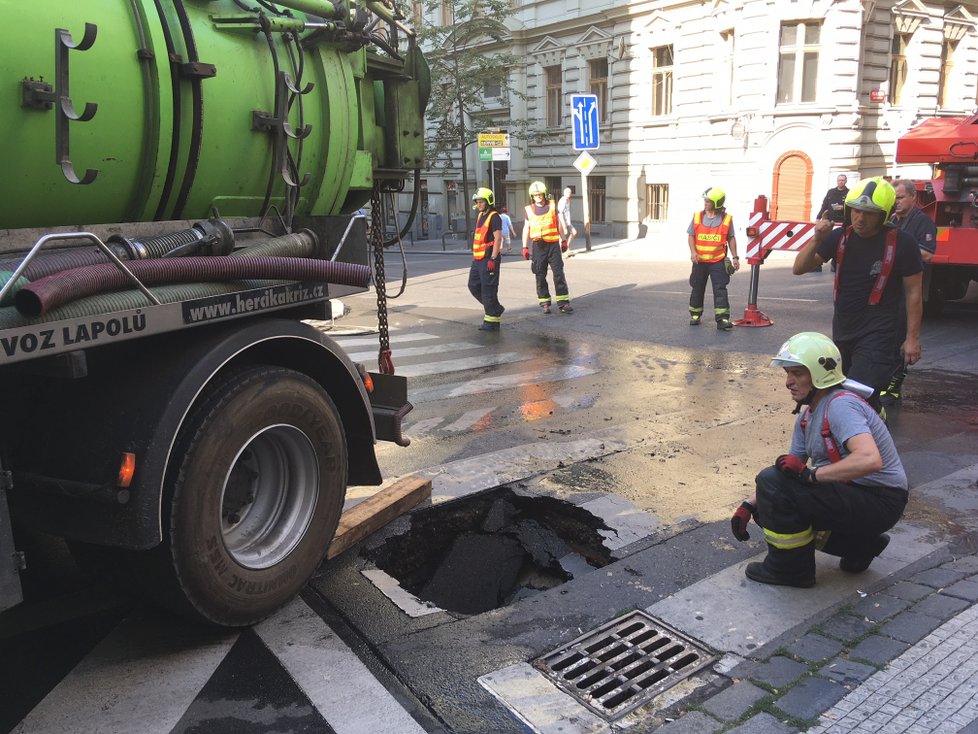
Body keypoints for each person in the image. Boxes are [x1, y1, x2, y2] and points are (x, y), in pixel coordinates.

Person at [730, 332, 909, 588]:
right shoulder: (807, 417)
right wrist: (749, 505)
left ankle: (790, 571)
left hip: (880, 500)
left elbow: (870, 459)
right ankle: (861, 547)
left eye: (797, 374)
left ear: (819, 375)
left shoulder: (840, 405)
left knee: (772, 486)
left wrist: (811, 476)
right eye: (787, 374)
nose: (788, 382)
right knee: (769, 494)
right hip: (857, 497)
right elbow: (786, 474)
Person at [792, 176, 923, 415]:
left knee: (855, 394)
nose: (860, 219)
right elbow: (798, 268)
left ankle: (866, 442)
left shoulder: (903, 244)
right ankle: (872, 425)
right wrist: (817, 239)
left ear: (884, 214)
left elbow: (914, 292)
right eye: (856, 211)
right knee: (838, 392)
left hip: (880, 332)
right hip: (843, 328)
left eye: (869, 213)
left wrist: (912, 339)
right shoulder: (840, 237)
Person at [881, 179, 937, 405]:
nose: (896, 202)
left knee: (901, 336)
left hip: (909, 289)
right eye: (893, 198)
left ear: (913, 197)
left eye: (901, 197)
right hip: (889, 289)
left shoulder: (923, 222)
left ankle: (895, 384)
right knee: (885, 335)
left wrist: (898, 252)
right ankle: (883, 378)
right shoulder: (892, 220)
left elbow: (927, 254)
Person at [688, 186, 740, 330]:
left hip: (717, 261)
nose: (705, 203)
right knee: (697, 288)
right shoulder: (697, 216)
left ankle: (722, 319)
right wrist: (693, 252)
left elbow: (731, 238)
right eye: (705, 200)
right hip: (700, 262)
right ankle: (695, 314)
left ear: (717, 203)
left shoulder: (727, 219)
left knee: (720, 290)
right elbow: (691, 236)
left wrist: (735, 257)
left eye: (708, 201)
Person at [522, 181, 573, 314]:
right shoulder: (529, 209)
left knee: (558, 272)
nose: (538, 196)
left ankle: (563, 303)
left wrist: (563, 240)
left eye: (540, 194)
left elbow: (558, 224)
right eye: (535, 195)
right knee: (540, 274)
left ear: (544, 194)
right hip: (538, 246)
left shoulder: (552, 205)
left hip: (553, 246)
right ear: (532, 196)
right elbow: (526, 228)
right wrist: (524, 246)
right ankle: (544, 302)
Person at [468, 187, 504, 332]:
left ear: (488, 201)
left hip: (489, 258)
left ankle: (491, 321)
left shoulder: (494, 217)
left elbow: (498, 238)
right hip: (478, 259)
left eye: (481, 201)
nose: (479, 204)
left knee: (488, 289)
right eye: (477, 202)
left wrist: (493, 258)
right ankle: (496, 308)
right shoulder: (480, 216)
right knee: (473, 285)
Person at [818, 174, 850, 272]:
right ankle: (817, 264)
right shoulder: (831, 192)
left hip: (843, 223)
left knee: (839, 245)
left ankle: (835, 264)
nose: (841, 182)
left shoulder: (849, 193)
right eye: (839, 180)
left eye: (843, 180)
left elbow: (852, 207)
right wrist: (818, 217)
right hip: (831, 222)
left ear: (846, 181)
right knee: (826, 242)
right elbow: (824, 205)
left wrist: (843, 208)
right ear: (837, 181)